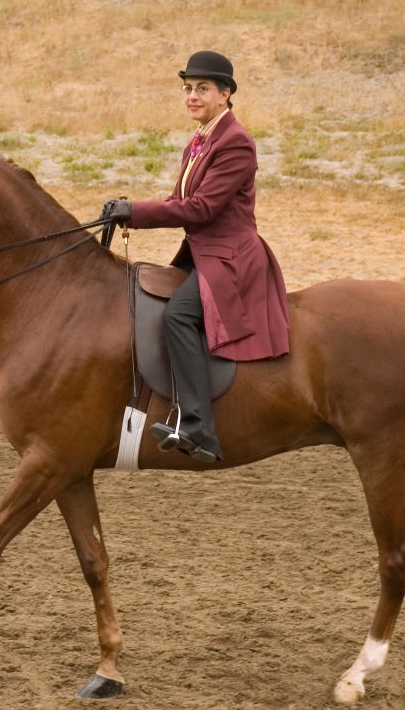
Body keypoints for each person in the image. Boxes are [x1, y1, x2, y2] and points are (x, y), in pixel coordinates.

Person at [103, 50, 291, 463]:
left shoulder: (236, 141)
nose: (192, 96)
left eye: (202, 89)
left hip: (231, 256)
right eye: (188, 89)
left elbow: (202, 209)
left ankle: (197, 426)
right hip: (201, 251)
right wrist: (128, 212)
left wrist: (136, 210)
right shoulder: (200, 140)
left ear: (225, 94)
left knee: (179, 315)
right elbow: (178, 200)